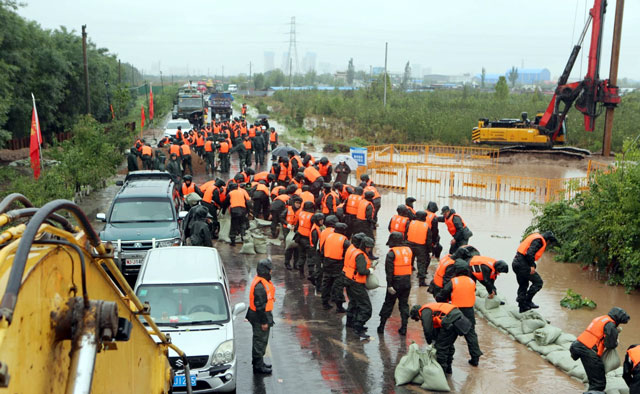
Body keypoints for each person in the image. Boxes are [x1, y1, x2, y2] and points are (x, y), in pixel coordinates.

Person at [570, 307, 630, 392]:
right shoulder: (610, 325)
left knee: (594, 375)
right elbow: (610, 345)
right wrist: (615, 338)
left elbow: (598, 333)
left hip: (577, 345)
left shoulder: (601, 318)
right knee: (598, 383)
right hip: (588, 350)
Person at [437, 263, 483, 367]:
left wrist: (440, 299)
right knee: (471, 335)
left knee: (450, 334)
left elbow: (444, 293)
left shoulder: (454, 281)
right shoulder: (472, 281)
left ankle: (447, 360)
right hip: (469, 311)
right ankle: (475, 358)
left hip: (455, 311)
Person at [410, 303, 472, 375]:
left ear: (417, 314)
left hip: (451, 320)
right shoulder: (431, 309)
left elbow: (427, 330)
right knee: (448, 345)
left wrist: (430, 342)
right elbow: (437, 327)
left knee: (441, 348)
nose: (419, 319)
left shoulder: (424, 311)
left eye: (417, 318)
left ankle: (441, 373)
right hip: (457, 318)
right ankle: (448, 368)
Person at [377, 232, 413, 336]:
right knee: (404, 305)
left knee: (388, 304)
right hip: (406, 282)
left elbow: (389, 272)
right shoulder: (408, 250)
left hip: (395, 283)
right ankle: (404, 328)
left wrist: (389, 285)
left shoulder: (392, 253)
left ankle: (381, 326)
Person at [512, 231, 556, 313]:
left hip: (516, 262)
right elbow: (529, 253)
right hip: (522, 264)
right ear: (548, 240)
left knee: (523, 285)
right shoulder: (539, 241)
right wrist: (532, 265)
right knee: (538, 282)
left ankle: (522, 307)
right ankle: (527, 301)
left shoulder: (535, 236)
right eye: (550, 242)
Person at [246, 259, 276, 375]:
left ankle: (259, 363)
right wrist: (264, 322)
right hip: (260, 317)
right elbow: (260, 306)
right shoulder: (260, 286)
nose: (271, 271)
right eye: (269, 269)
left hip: (261, 315)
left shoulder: (262, 281)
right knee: (259, 341)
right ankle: (258, 367)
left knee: (261, 340)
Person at [343, 235, 375, 339]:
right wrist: (369, 271)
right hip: (356, 283)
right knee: (366, 307)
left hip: (350, 281)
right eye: (369, 247)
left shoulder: (354, 251)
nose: (370, 249)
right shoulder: (360, 255)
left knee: (353, 303)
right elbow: (362, 271)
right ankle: (358, 327)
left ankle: (350, 322)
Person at [320, 221, 349, 312]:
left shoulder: (328, 237)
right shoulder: (344, 240)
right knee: (338, 286)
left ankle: (325, 303)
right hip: (338, 264)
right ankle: (339, 307)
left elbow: (322, 250)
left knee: (326, 284)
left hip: (327, 263)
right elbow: (348, 253)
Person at [406, 211, 431, 287]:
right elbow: (429, 240)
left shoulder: (410, 223)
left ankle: (407, 278)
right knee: (421, 263)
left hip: (409, 245)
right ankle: (421, 281)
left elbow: (406, 233)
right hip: (421, 247)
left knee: (409, 262)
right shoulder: (426, 226)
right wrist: (429, 250)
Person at [295, 201, 315, 277]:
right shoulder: (312, 216)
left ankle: (301, 273)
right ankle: (311, 274)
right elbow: (314, 229)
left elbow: (297, 226)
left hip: (299, 237)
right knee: (310, 256)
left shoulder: (300, 214)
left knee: (302, 256)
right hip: (308, 239)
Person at [308, 213, 325, 288]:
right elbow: (315, 242)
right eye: (320, 220)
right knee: (319, 268)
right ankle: (315, 280)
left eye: (322, 220)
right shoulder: (315, 230)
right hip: (315, 250)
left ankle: (314, 277)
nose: (322, 221)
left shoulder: (319, 227)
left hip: (317, 249)